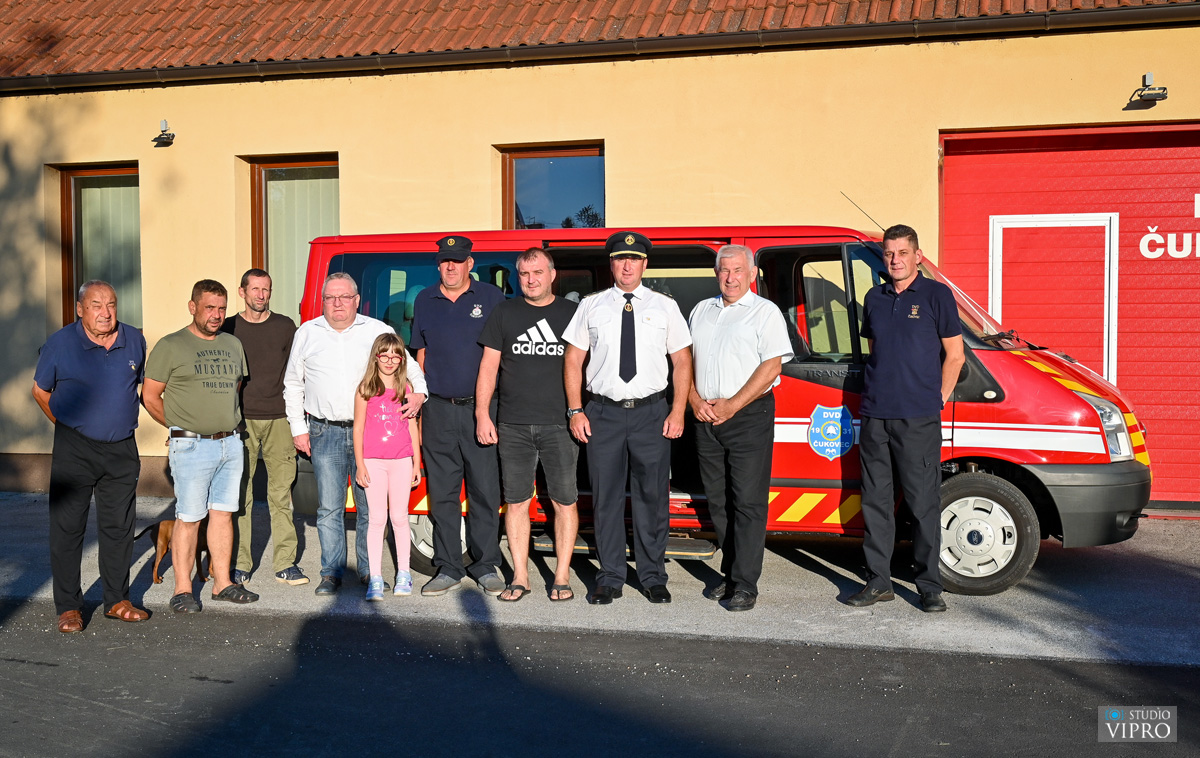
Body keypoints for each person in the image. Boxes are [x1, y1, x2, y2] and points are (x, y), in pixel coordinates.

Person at [563, 231, 693, 605]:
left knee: (652, 498)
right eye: (621, 259)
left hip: (651, 413)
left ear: (644, 264)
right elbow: (573, 359)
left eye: (634, 259)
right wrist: (575, 410)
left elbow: (682, 360)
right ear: (612, 264)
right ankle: (610, 577)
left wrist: (677, 409)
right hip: (602, 413)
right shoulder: (591, 305)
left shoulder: (665, 306)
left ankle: (653, 577)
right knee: (606, 499)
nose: (627, 265)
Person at [283, 272, 427, 596]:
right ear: (323, 301)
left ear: (356, 300)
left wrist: (419, 394)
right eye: (330, 297)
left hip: (372, 435)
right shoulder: (307, 332)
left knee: (369, 510)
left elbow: (410, 367)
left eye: (344, 297)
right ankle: (331, 573)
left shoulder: (376, 330)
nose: (337, 303)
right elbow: (292, 384)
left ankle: (368, 572)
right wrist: (298, 428)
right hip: (325, 432)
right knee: (329, 508)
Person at [846, 224, 965, 613]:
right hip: (875, 415)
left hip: (918, 418)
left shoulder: (936, 295)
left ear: (917, 256)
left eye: (902, 253)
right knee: (876, 502)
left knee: (922, 503)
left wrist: (937, 399)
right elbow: (877, 350)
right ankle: (879, 582)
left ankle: (929, 586)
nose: (895, 260)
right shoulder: (874, 297)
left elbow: (955, 355)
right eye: (889, 253)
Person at [33, 280, 149, 632]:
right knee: (68, 529)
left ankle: (117, 600)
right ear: (80, 309)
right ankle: (69, 607)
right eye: (96, 305)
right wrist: (67, 426)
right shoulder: (60, 343)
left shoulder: (135, 339)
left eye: (111, 304)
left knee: (119, 528)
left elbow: (140, 387)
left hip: (122, 448)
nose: (105, 312)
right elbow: (40, 391)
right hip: (75, 449)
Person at [688, 245, 793, 612]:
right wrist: (693, 400)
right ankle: (731, 575)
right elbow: (684, 362)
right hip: (706, 417)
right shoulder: (701, 310)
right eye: (724, 270)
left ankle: (746, 584)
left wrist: (732, 404)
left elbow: (772, 367)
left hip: (747, 416)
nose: (730, 277)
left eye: (737, 270)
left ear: (751, 274)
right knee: (718, 502)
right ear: (716, 273)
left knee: (747, 502)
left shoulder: (765, 312)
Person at [143, 280, 259, 612]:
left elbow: (235, 389)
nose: (216, 315)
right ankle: (182, 590)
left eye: (221, 308)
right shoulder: (171, 345)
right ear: (192, 307)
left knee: (223, 515)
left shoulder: (233, 344)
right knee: (189, 517)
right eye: (209, 308)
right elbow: (150, 396)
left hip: (230, 444)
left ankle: (222, 583)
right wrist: (178, 428)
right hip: (191, 447)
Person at [476, 247, 580, 602]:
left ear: (552, 274)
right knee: (517, 502)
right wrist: (482, 413)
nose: (531, 280)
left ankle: (562, 576)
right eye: (524, 274)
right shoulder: (504, 313)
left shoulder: (572, 314)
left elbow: (586, 364)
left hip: (560, 425)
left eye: (537, 272)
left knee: (564, 502)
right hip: (513, 425)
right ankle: (520, 576)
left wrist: (580, 411)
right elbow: (488, 367)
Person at [409, 235, 506, 597]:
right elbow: (420, 356)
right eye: (444, 261)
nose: (450, 267)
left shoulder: (492, 298)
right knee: (443, 493)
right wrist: (420, 412)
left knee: (484, 490)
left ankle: (485, 565)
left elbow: (499, 356)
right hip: (437, 410)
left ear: (470, 264)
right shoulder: (424, 299)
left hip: (481, 410)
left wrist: (487, 411)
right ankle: (448, 567)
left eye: (457, 261)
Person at [219, 269, 307, 587]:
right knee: (241, 494)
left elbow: (298, 371)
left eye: (266, 289)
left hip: (279, 419)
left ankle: (285, 563)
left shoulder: (285, 326)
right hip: (240, 421)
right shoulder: (228, 327)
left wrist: (299, 419)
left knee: (281, 494)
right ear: (242, 292)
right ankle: (241, 563)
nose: (261, 295)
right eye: (255, 289)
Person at [353, 333, 422, 600]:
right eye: (385, 355)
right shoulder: (365, 389)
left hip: (402, 460)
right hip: (373, 462)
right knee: (377, 519)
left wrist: (416, 463)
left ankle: (403, 573)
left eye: (396, 355)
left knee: (400, 518)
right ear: (376, 357)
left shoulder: (407, 388)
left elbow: (413, 427)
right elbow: (358, 429)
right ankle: (376, 578)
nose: (390, 360)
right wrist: (360, 464)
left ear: (402, 359)